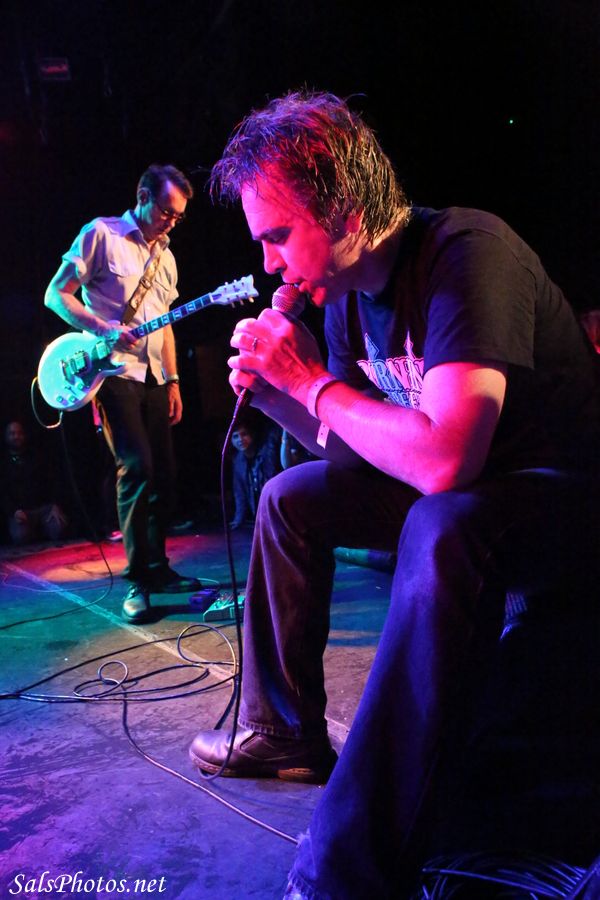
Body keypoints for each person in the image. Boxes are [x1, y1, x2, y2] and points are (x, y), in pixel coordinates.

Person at [188, 91, 600, 898]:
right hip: (478, 496)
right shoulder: (346, 297)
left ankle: (348, 868)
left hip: (562, 499)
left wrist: (310, 382)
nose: (268, 263)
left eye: (277, 236)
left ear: (343, 209)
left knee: (443, 521)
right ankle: (282, 730)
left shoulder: (466, 254)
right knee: (291, 495)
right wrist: (280, 395)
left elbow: (446, 457)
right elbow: (356, 449)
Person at [45, 164, 202, 623]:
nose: (171, 222)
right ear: (143, 196)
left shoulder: (166, 258)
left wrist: (173, 380)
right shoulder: (102, 234)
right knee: (136, 467)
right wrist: (103, 328)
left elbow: (165, 325)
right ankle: (137, 580)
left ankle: (158, 569)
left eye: (178, 217)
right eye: (166, 212)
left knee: (165, 475)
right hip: (113, 373)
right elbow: (56, 295)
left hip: (153, 376)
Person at [0, 420, 69, 545]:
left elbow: (52, 481)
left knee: (58, 528)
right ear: (6, 437)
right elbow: (3, 493)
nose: (16, 436)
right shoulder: (4, 463)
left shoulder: (36, 456)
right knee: (20, 536)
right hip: (20, 512)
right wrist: (14, 511)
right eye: (12, 433)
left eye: (19, 433)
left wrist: (55, 505)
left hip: (42, 508)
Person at [229, 410, 281, 529]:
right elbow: (239, 492)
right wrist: (238, 519)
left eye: (244, 434)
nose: (240, 439)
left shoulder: (267, 452)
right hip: (259, 515)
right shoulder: (238, 461)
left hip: (274, 510)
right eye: (235, 436)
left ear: (252, 434)